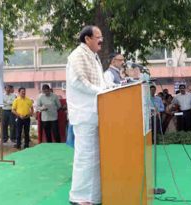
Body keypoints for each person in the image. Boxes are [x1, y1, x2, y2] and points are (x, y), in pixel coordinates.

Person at [67, 25, 106, 205]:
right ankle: (79, 197)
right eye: (98, 36)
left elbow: (101, 82)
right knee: (85, 156)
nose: (101, 40)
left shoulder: (93, 56)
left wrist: (109, 90)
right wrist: (102, 92)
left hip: (96, 114)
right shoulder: (77, 55)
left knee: (95, 157)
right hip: (84, 115)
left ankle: (94, 197)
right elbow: (78, 81)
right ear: (87, 39)